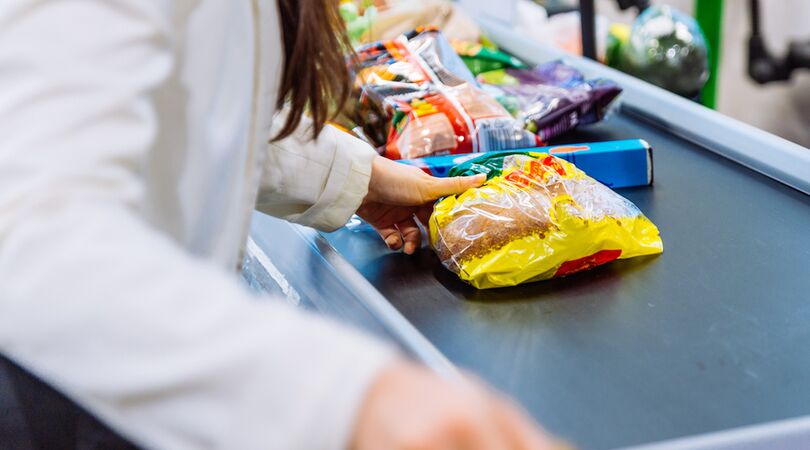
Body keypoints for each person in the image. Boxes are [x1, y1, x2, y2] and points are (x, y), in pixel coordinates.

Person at [0, 0, 560, 449]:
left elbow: (188, 104)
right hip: (70, 384)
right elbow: (27, 229)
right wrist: (347, 398)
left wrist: (352, 177)